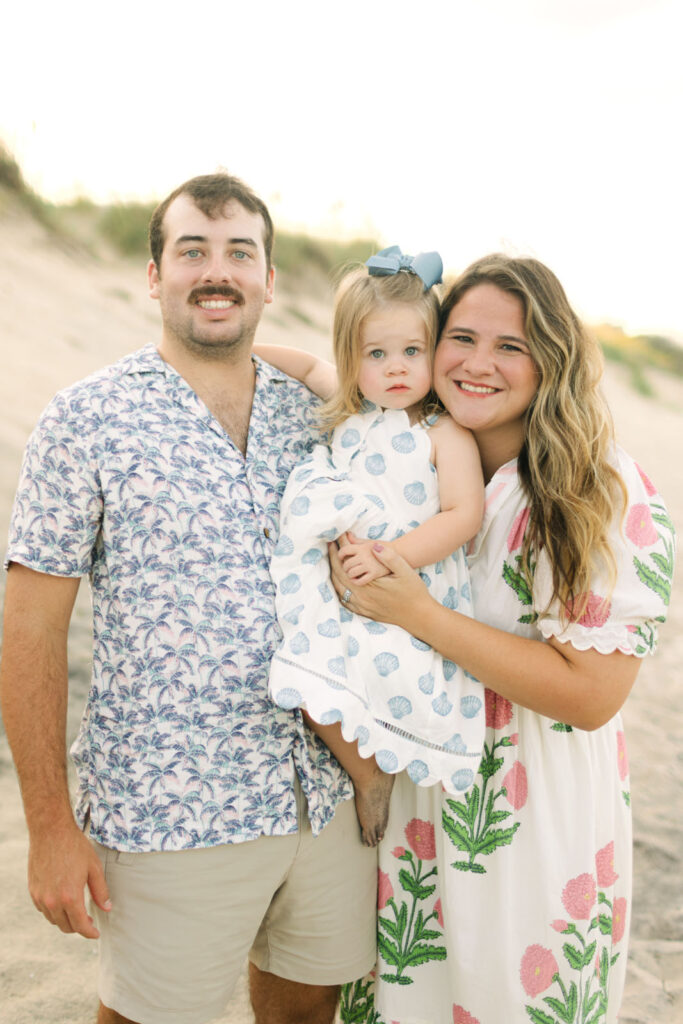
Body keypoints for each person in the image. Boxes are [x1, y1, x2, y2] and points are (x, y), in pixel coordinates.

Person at [0, 173, 378, 1024]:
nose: (218, 271)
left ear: (269, 280)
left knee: (309, 1013)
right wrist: (52, 830)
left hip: (325, 794)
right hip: (171, 807)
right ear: (154, 273)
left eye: (241, 252)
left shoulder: (319, 418)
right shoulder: (86, 419)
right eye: (193, 251)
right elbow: (29, 631)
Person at [330, 255, 675, 1024]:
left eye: (510, 347)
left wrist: (420, 615)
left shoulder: (595, 488)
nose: (477, 364)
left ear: (551, 360)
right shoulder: (400, 459)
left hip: (527, 810)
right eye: (459, 337)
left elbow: (590, 696)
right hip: (412, 796)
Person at [257, 248, 485, 847]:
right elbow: (304, 365)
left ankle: (382, 768)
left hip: (410, 580)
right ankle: (366, 774)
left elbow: (464, 514)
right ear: (351, 357)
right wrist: (237, 355)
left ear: (435, 351)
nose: (396, 369)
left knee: (390, 677)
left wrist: (394, 558)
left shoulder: (442, 432)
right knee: (306, 669)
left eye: (413, 352)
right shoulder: (350, 409)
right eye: (375, 354)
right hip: (344, 580)